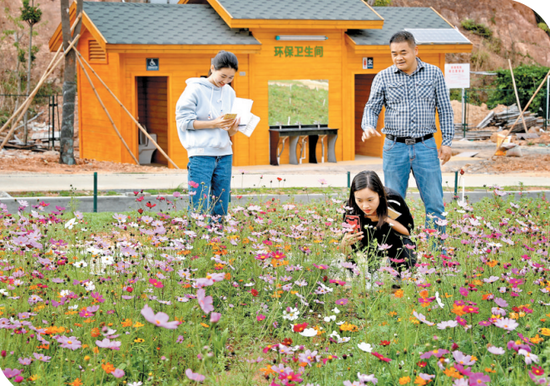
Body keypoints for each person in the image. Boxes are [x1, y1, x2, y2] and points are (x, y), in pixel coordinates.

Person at [361, 31, 453, 234]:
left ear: (415, 50)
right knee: (392, 205)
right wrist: (368, 126)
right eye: (394, 53)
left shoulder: (434, 73)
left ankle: (438, 255)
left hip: (426, 146)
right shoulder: (383, 77)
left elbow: (445, 109)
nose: (398, 57)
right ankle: (397, 254)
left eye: (403, 52)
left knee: (435, 204)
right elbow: (371, 107)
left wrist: (447, 141)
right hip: (394, 147)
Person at [175, 51, 240, 219]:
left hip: (225, 154)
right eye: (223, 76)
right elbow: (184, 122)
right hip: (201, 154)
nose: (225, 82)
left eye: (230, 78)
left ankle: (218, 243)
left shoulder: (230, 93)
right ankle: (196, 241)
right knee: (199, 205)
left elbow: (229, 131)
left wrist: (234, 127)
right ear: (212, 68)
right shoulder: (194, 89)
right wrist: (214, 124)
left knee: (221, 205)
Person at [340, 171, 415, 271]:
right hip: (366, 242)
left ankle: (396, 268)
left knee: (408, 261)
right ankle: (358, 276)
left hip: (392, 240)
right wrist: (344, 243)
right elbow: (345, 250)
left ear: (379, 194)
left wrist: (385, 218)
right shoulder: (351, 208)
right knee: (352, 257)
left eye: (370, 200)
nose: (365, 206)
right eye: (359, 200)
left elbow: (407, 232)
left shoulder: (393, 200)